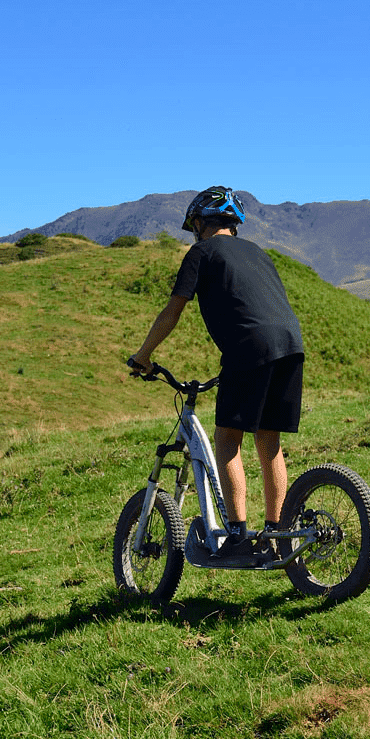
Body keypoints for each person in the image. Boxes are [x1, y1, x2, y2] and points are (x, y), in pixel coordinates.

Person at [128, 187, 304, 564]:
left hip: (249, 347)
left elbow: (173, 310)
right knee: (268, 441)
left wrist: (144, 355)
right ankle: (275, 533)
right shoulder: (258, 253)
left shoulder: (201, 252)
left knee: (227, 440)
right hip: (290, 344)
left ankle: (239, 537)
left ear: (199, 222)